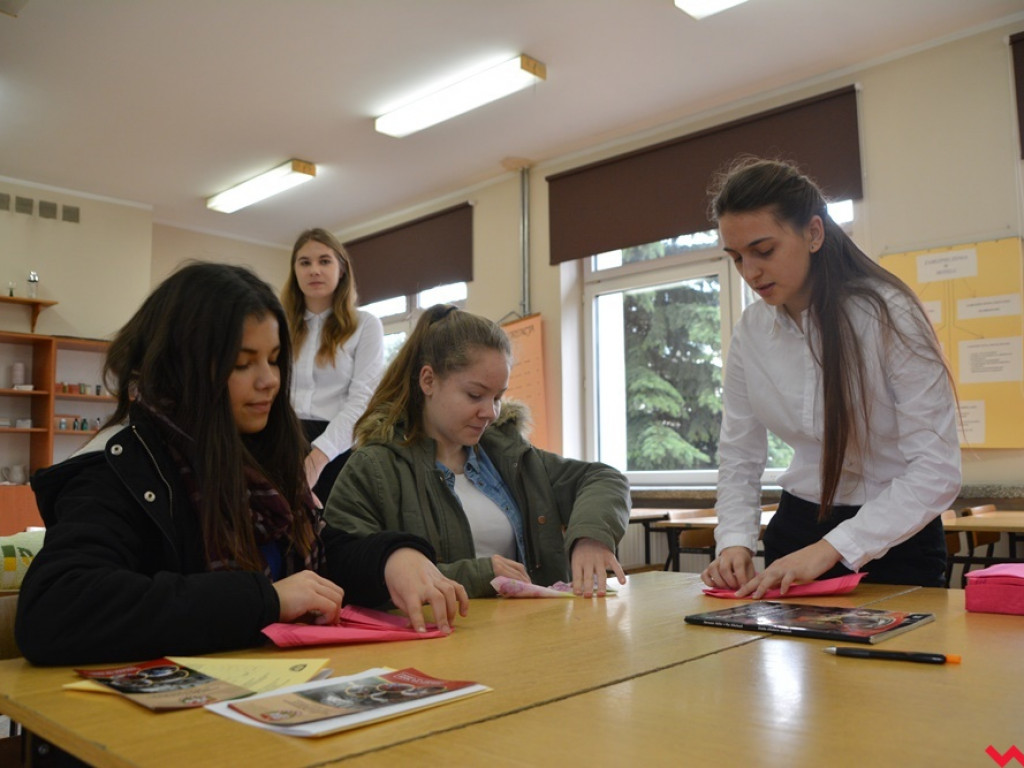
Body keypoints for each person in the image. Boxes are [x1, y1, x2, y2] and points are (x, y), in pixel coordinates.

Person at [16, 263, 467, 666]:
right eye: (241, 364)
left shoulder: (259, 455)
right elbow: (56, 609)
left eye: (273, 360)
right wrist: (265, 601)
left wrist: (393, 557)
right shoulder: (118, 468)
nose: (269, 380)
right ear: (182, 368)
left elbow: (320, 560)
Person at [701, 157, 961, 599]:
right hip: (796, 532)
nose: (750, 272)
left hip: (894, 539)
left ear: (814, 233)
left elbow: (936, 472)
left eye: (764, 251)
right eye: (737, 257)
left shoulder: (889, 316)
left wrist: (832, 549)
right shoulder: (751, 331)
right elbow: (740, 454)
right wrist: (735, 541)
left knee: (888, 669)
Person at [324, 304, 631, 599]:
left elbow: (604, 478)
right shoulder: (373, 468)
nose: (491, 412)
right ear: (428, 380)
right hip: (435, 646)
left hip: (533, 639)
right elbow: (348, 571)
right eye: (475, 395)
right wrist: (478, 575)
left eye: (498, 397)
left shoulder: (512, 457)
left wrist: (591, 536)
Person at [282, 228, 385, 505]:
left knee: (329, 535)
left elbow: (363, 401)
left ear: (341, 269)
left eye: (324, 261)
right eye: (305, 262)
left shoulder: (365, 325)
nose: (314, 270)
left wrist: (318, 458)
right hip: (280, 441)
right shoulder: (279, 326)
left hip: (337, 447)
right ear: (295, 272)